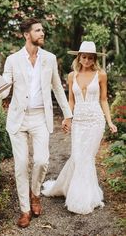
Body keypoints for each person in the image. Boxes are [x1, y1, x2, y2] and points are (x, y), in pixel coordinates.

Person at [0, 18, 72, 228]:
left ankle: (35, 193)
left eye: (42, 30)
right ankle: (24, 209)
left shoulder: (50, 59)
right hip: (18, 119)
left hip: (40, 117)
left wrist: (67, 114)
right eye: (38, 30)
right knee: (21, 164)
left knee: (42, 161)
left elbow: (57, 88)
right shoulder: (13, 60)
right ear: (27, 35)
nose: (42, 33)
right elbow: (6, 88)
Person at [42, 41, 117, 215]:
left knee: (87, 158)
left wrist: (110, 121)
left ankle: (83, 198)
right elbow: (71, 100)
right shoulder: (71, 76)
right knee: (77, 156)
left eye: (91, 57)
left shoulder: (101, 75)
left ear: (95, 59)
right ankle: (70, 188)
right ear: (79, 57)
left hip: (95, 120)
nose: (87, 60)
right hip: (79, 121)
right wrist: (68, 118)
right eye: (84, 57)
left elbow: (104, 100)